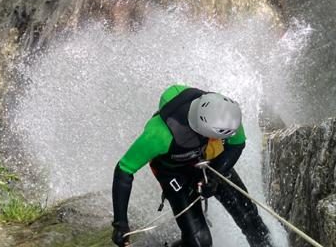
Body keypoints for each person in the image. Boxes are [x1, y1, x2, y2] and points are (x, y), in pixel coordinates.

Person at [111, 85, 272, 247]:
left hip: (209, 162)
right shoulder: (159, 135)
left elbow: (236, 145)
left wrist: (213, 176)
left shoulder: (226, 113)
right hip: (173, 171)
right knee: (199, 242)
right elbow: (124, 170)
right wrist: (120, 223)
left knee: (250, 218)